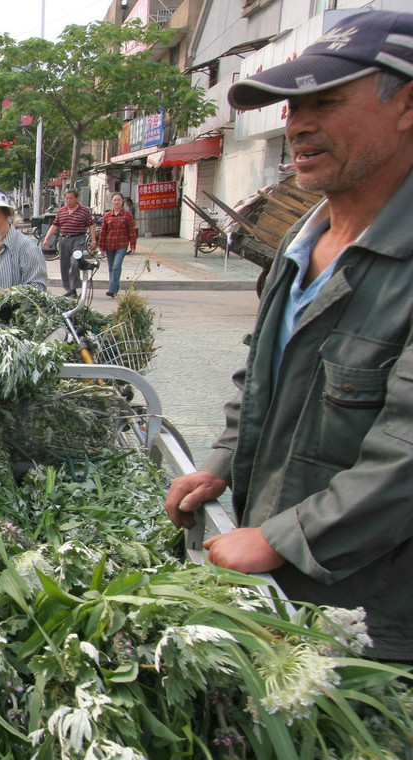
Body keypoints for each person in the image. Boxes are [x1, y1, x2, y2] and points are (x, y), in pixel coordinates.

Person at [164, 10, 413, 661]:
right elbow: (264, 376)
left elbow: (406, 453)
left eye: (325, 102)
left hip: (374, 624)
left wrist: (282, 538)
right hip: (278, 595)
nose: (297, 124)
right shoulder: (301, 244)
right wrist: (220, 461)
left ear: (408, 103)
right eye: (292, 104)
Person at [41, 189, 96, 298]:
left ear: (76, 198)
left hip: (78, 239)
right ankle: (71, 290)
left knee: (75, 263)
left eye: (71, 198)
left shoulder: (84, 211)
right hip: (64, 240)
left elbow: (91, 225)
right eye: (66, 198)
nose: (68, 200)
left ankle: (76, 281)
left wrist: (93, 240)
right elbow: (54, 225)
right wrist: (47, 239)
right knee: (64, 266)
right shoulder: (61, 211)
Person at [98, 193, 137, 298]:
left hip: (122, 245)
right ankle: (114, 287)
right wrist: (101, 247)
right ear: (112, 202)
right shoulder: (107, 216)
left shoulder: (127, 215)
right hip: (109, 244)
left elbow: (131, 231)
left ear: (122, 201)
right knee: (111, 268)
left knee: (116, 266)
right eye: (115, 200)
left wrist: (133, 245)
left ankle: (112, 289)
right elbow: (103, 232)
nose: (116, 202)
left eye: (119, 200)